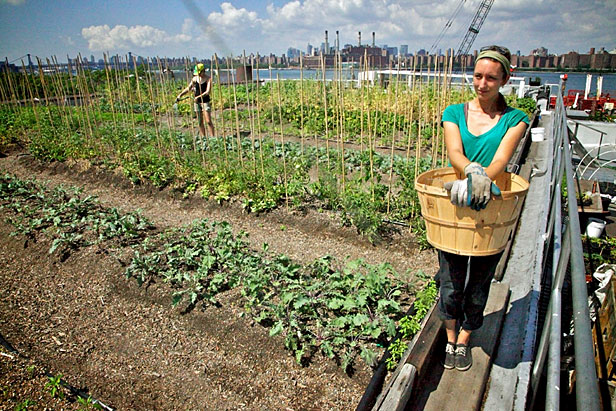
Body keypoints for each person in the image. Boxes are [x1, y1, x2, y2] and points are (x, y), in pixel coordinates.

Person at [439, 45, 530, 371]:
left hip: (491, 210)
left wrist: (482, 178)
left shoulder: (515, 119)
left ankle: (464, 339)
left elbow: (502, 160)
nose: (482, 84)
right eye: (478, 75)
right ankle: (449, 338)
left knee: (478, 285)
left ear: (505, 78)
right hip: (456, 205)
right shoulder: (453, 112)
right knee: (450, 281)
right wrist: (472, 174)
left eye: (491, 78)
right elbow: (454, 153)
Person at [176, 63, 215, 138]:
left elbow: (207, 92)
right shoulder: (195, 79)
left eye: (200, 73)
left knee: (208, 121)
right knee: (200, 122)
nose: (199, 75)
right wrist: (180, 94)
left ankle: (213, 138)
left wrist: (199, 96)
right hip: (197, 103)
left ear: (203, 71)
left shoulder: (208, 79)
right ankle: (203, 137)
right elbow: (188, 88)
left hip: (205, 102)